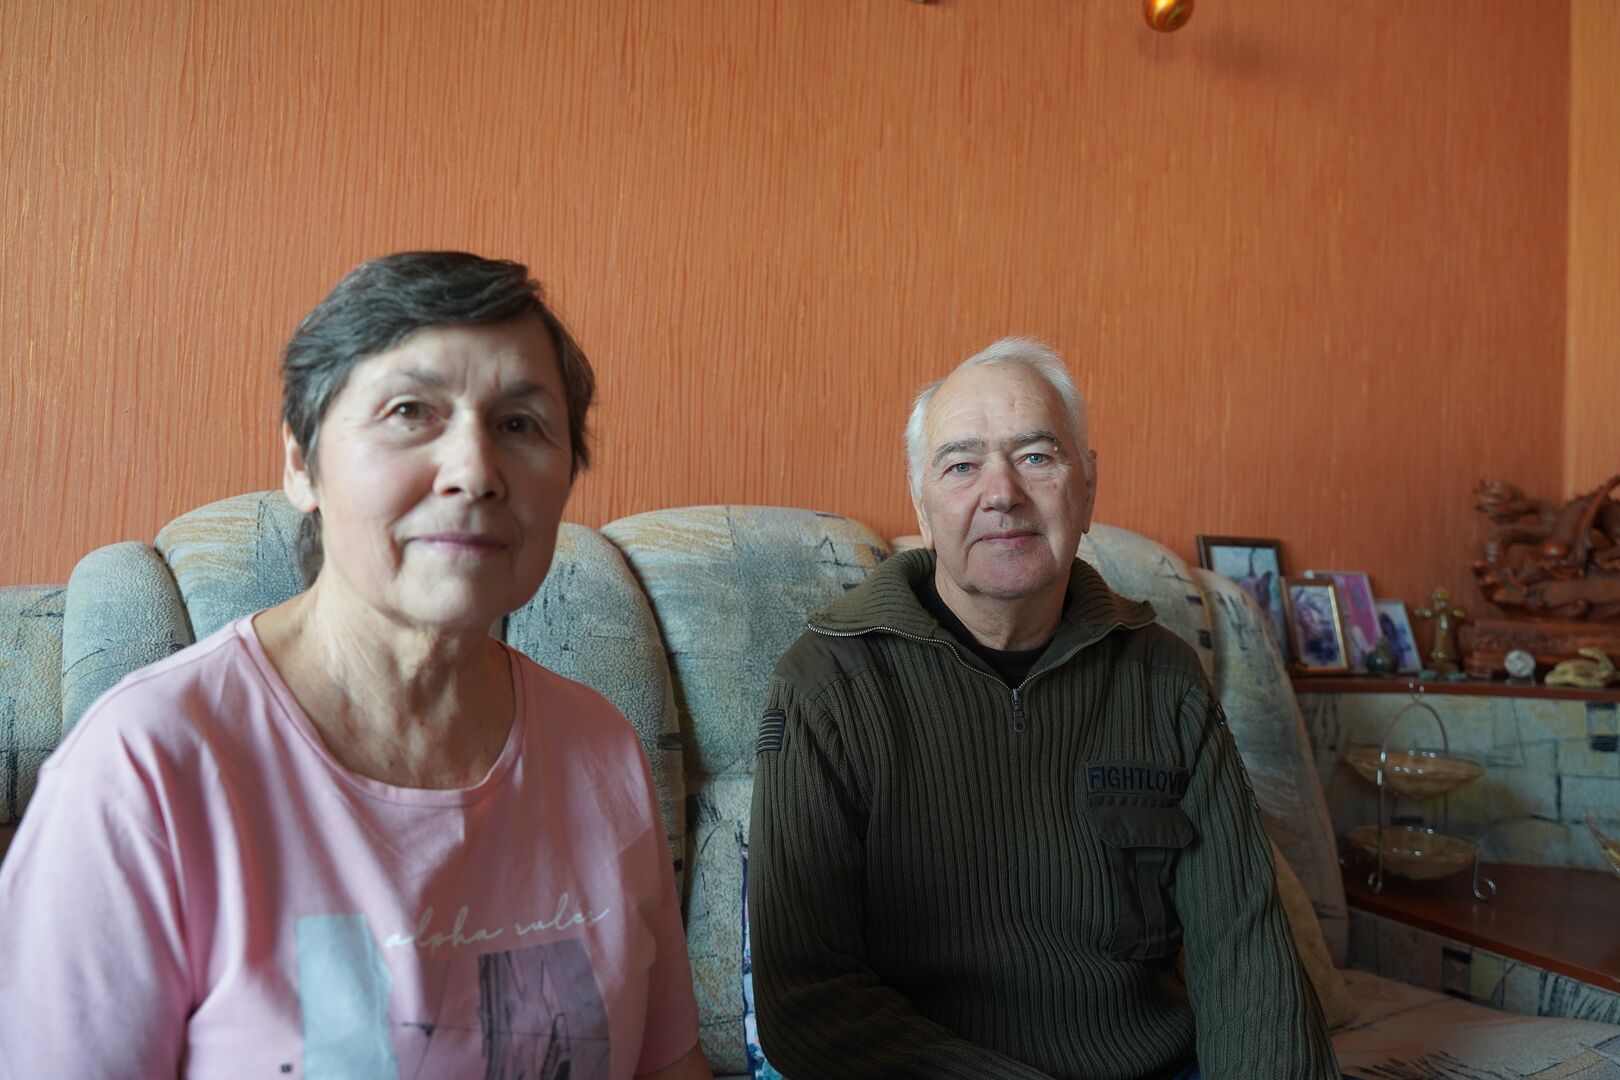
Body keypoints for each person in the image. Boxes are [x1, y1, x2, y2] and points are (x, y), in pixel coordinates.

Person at [0, 252, 710, 1080]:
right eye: (410, 412)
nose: (475, 472)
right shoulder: (145, 767)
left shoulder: (599, 748)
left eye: (521, 424)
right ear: (302, 465)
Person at [749, 338, 1339, 1079]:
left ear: (1086, 489)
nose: (1002, 493)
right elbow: (806, 1002)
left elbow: (1245, 950)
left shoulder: (1164, 677)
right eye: (961, 466)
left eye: (1035, 457)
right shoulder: (826, 684)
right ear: (923, 509)